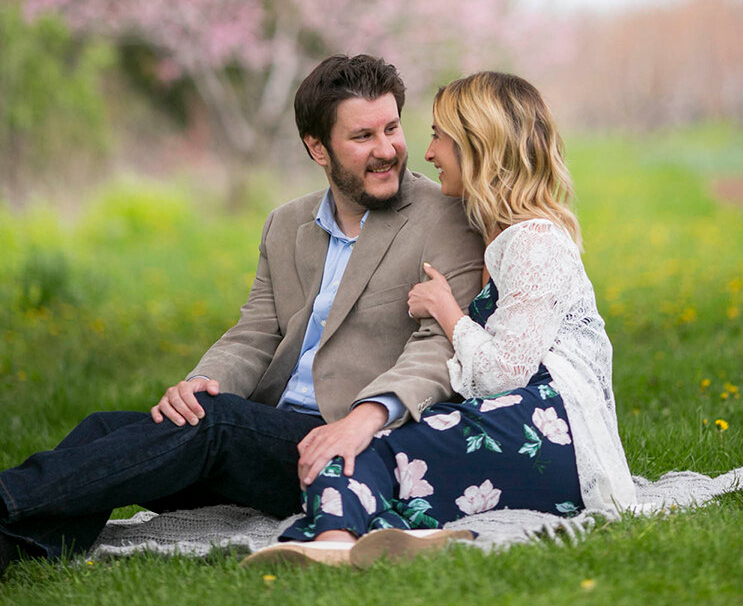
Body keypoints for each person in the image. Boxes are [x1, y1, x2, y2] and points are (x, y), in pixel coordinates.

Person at [0, 55, 484, 575]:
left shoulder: (445, 219)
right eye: (362, 136)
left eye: (392, 128)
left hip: (352, 447)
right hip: (265, 433)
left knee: (215, 424)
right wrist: (201, 382)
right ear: (317, 148)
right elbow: (255, 331)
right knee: (106, 429)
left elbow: (440, 347)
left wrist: (360, 421)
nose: (386, 149)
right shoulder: (286, 223)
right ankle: (18, 549)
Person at [248, 71, 636, 568]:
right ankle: (368, 539)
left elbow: (502, 376)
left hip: (555, 433)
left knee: (364, 447)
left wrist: (447, 310)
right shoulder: (494, 234)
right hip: (518, 425)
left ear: (478, 147)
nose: (427, 153)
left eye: (438, 137)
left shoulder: (536, 241)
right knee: (364, 446)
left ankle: (334, 542)